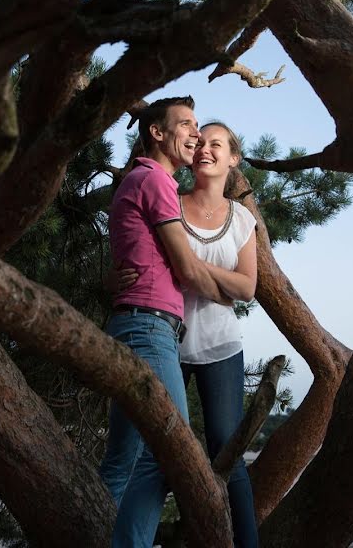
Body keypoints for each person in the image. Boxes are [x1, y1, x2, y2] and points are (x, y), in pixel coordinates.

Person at [114, 121, 259, 547]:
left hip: (221, 348)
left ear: (233, 158)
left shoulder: (242, 220)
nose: (205, 149)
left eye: (218, 144)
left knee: (226, 453)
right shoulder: (168, 201)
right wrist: (220, 284)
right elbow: (141, 261)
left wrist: (195, 272)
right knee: (156, 450)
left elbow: (248, 288)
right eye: (202, 142)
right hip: (166, 342)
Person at [100, 96, 230, 548]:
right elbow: (190, 270)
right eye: (187, 125)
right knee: (169, 454)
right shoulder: (155, 180)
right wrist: (236, 294)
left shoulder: (140, 179)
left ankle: (89, 532)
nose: (196, 134)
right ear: (156, 132)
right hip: (148, 329)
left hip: (134, 325)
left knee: (123, 460)